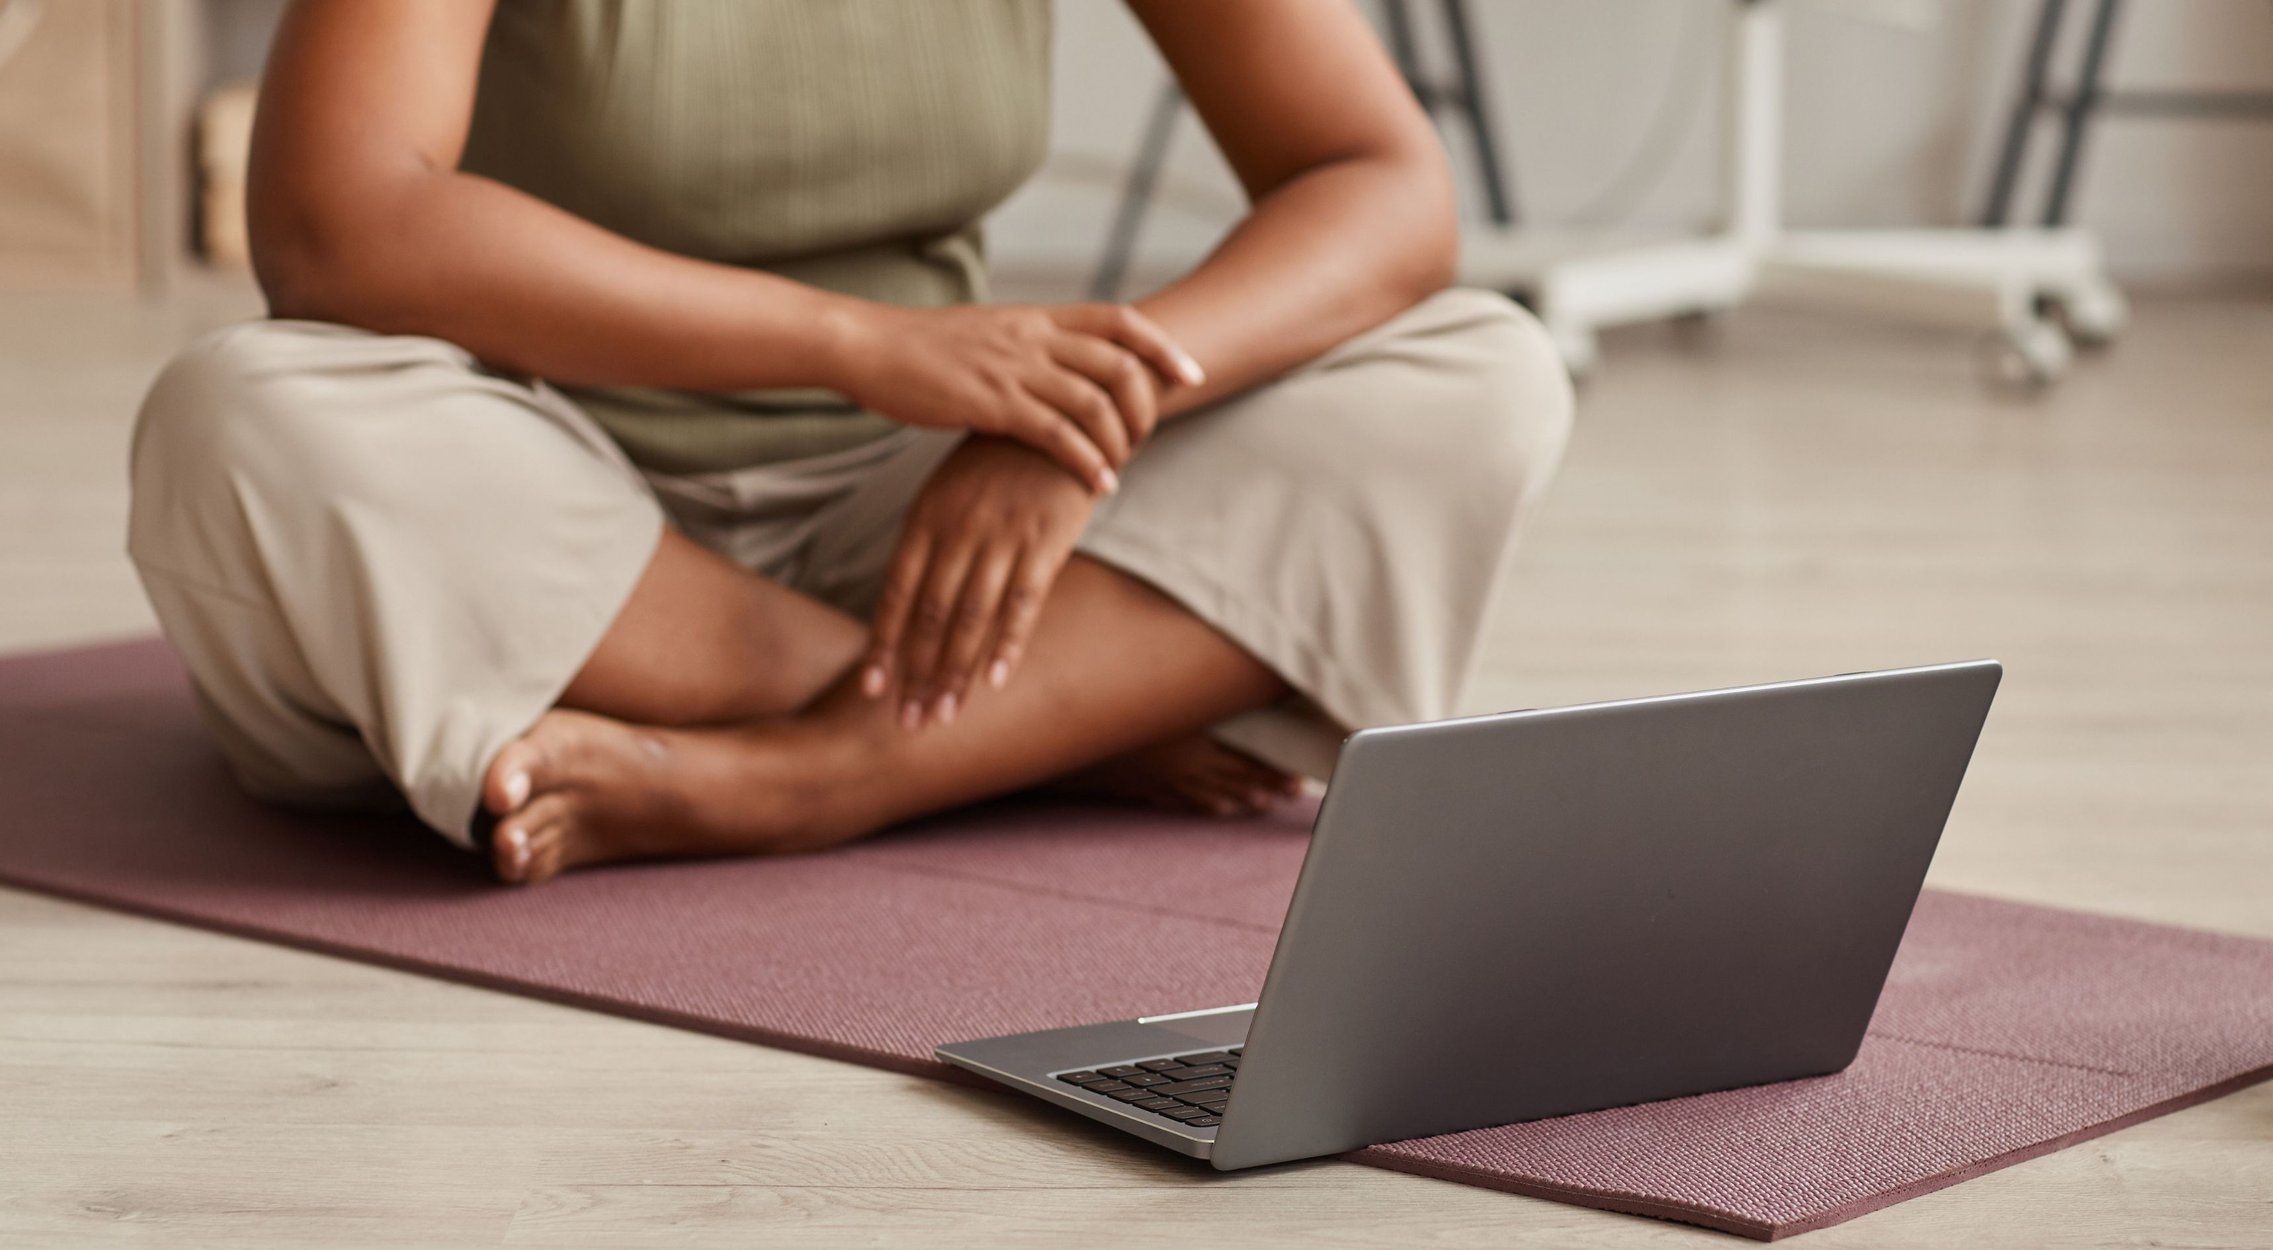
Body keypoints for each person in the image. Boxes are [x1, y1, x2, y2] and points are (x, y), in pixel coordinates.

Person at [127, 0, 1572, 885]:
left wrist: (1090, 413)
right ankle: (1021, 730)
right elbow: (335, 224)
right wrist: (860, 345)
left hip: (920, 505)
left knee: (1482, 368)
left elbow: (1377, 179)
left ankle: (810, 775)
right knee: (238, 419)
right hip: (547, 491)